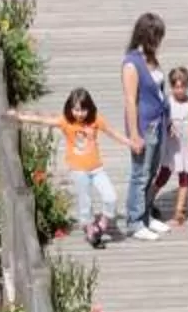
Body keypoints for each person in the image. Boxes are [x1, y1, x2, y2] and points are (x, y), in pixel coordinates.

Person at [13, 88, 121, 248]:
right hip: (78, 169)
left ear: (89, 108)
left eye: (83, 109)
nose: (79, 114)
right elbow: (42, 119)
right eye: (76, 109)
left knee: (110, 197)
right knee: (85, 200)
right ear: (70, 109)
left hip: (96, 168)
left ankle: (102, 225)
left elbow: (113, 132)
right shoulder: (66, 122)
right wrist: (19, 116)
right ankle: (91, 230)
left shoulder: (95, 120)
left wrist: (131, 142)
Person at [120, 14, 172, 238]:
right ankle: (134, 220)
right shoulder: (132, 64)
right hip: (143, 125)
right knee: (140, 174)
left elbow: (160, 91)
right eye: (156, 37)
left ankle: (146, 214)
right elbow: (130, 100)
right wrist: (134, 134)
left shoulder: (153, 59)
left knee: (152, 171)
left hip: (158, 122)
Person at [164, 64, 188, 228]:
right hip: (172, 143)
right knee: (164, 173)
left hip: (185, 143)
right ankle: (148, 201)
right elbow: (163, 118)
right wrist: (168, 126)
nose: (179, 90)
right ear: (171, 86)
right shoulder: (168, 101)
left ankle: (179, 210)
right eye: (176, 87)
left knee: (185, 176)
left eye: (183, 87)